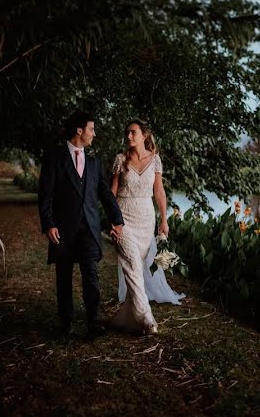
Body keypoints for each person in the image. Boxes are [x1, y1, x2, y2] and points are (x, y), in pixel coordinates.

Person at [38, 110, 124, 338]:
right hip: (62, 229)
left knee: (91, 274)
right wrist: (49, 224)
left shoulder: (94, 162)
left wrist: (117, 220)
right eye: (91, 129)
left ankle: (93, 322)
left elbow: (105, 194)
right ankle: (65, 323)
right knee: (63, 277)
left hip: (89, 228)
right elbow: (45, 195)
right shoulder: (55, 157)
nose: (94, 133)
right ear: (79, 130)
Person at [110, 119, 183, 335]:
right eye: (127, 133)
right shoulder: (120, 160)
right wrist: (112, 220)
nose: (129, 136)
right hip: (123, 218)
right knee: (131, 263)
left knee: (137, 268)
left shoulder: (155, 160)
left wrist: (164, 219)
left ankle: (131, 318)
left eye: (133, 132)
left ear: (144, 135)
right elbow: (111, 193)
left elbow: (159, 191)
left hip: (146, 219)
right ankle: (147, 318)